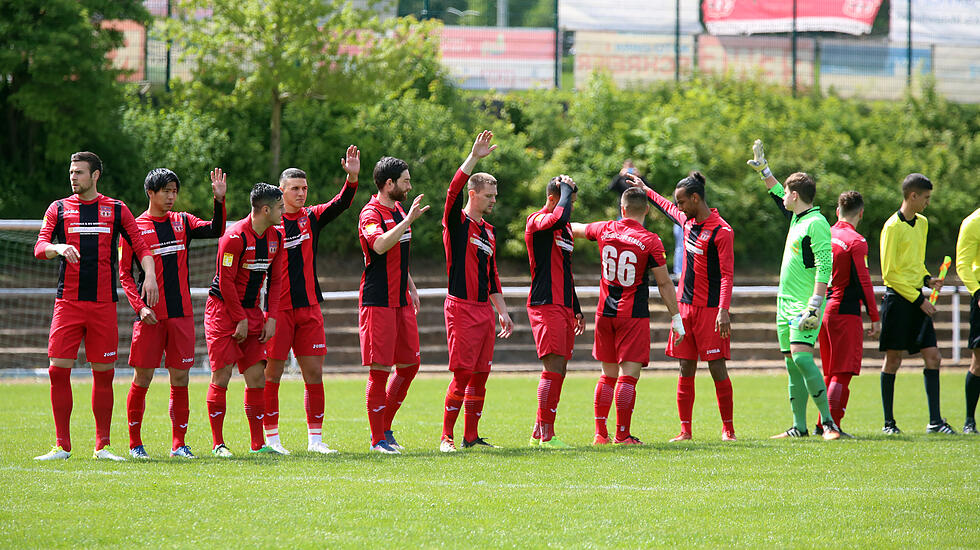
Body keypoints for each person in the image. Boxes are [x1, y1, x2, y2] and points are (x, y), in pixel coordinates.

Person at [33, 151, 159, 461]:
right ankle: (62, 446)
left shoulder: (116, 209)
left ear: (95, 175)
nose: (73, 176)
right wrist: (57, 247)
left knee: (103, 374)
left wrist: (151, 276)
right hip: (68, 303)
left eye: (79, 172)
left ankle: (102, 446)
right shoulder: (58, 208)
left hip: (103, 305)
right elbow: (39, 246)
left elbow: (141, 247)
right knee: (56, 370)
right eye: (72, 171)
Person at [118, 167, 226, 459]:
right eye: (165, 191)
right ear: (150, 193)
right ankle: (135, 444)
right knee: (143, 379)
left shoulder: (182, 221)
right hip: (150, 316)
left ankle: (179, 444)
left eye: (174, 191)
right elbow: (125, 274)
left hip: (181, 315)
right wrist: (139, 307)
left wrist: (219, 201)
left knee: (181, 379)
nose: (171, 196)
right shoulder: (134, 228)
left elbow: (215, 230)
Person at [262, 148, 360, 455]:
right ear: (281, 191)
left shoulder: (311, 217)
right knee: (271, 375)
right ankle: (272, 439)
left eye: (304, 188)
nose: (301, 193)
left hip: (309, 308)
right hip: (277, 311)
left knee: (314, 374)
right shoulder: (267, 224)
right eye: (295, 188)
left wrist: (352, 177)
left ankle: (316, 440)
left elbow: (340, 203)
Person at [571, 187, 685, 445]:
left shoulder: (604, 229)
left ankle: (600, 434)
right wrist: (676, 318)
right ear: (646, 209)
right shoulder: (651, 240)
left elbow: (574, 228)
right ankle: (622, 434)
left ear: (622, 209)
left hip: (604, 313)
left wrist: (549, 217)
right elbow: (665, 284)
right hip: (632, 315)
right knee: (628, 376)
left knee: (607, 375)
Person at [746, 139, 841, 440]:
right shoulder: (798, 218)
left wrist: (815, 302)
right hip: (785, 303)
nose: (782, 195)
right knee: (791, 363)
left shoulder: (817, 223)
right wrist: (765, 171)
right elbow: (776, 192)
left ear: (796, 195)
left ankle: (828, 423)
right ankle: (799, 427)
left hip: (805, 303)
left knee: (801, 358)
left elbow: (825, 266)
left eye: (787, 191)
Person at [630, 171, 736, 442]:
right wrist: (646, 189)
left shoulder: (722, 232)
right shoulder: (687, 222)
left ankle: (728, 429)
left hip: (711, 311)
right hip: (685, 309)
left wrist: (723, 310)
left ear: (695, 198)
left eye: (682, 202)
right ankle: (685, 430)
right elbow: (665, 206)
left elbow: (727, 275)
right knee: (684, 368)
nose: (678, 207)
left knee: (717, 369)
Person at [439, 130, 514, 452]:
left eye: (495, 196)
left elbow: (492, 274)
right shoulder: (457, 222)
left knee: (481, 374)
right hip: (461, 307)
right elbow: (452, 191)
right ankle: (447, 437)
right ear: (473, 193)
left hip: (484, 310)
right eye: (488, 195)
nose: (493, 200)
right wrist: (473, 158)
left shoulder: (489, 231)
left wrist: (503, 311)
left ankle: (471, 436)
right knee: (463, 374)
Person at [204, 183, 286, 456]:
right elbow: (226, 282)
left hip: (251, 312)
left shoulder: (277, 237)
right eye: (280, 207)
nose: (283, 211)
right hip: (224, 312)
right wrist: (239, 318)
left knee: (257, 378)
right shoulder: (234, 237)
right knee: (222, 375)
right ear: (265, 209)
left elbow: (276, 281)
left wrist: (271, 316)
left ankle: (257, 444)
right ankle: (218, 444)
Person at [359, 156, 428, 454]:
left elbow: (399, 253)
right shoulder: (370, 212)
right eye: (405, 181)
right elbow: (379, 245)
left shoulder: (399, 208)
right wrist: (408, 221)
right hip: (378, 300)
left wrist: (411, 286)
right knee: (379, 370)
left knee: (411, 365)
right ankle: (377, 440)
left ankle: (384, 427)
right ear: (389, 184)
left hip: (400, 299)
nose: (410, 186)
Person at [877, 174, 956, 434]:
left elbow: (914, 263)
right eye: (926, 198)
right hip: (899, 301)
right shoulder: (891, 227)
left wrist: (926, 279)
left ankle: (935, 422)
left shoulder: (922, 223)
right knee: (893, 360)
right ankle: (889, 423)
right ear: (913, 196)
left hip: (916, 298)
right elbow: (890, 274)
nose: (927, 203)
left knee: (933, 358)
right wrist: (919, 299)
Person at [525, 174, 584, 449]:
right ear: (553, 198)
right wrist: (564, 190)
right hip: (544, 303)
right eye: (567, 201)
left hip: (563, 305)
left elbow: (567, 270)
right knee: (553, 367)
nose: (569, 207)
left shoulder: (565, 229)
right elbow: (558, 217)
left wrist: (577, 308)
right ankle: (547, 435)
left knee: (561, 368)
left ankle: (539, 432)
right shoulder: (537, 221)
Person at [814, 191, 879, 435]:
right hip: (845, 311)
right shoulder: (856, 241)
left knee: (830, 372)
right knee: (842, 372)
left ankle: (822, 425)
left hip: (824, 309)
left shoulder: (825, 234)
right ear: (861, 213)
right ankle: (833, 426)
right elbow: (864, 282)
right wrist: (874, 316)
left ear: (836, 211)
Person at [955, 206, 980, 434]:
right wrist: (977, 292)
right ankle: (969, 420)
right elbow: (962, 264)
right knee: (979, 361)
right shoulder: (973, 221)